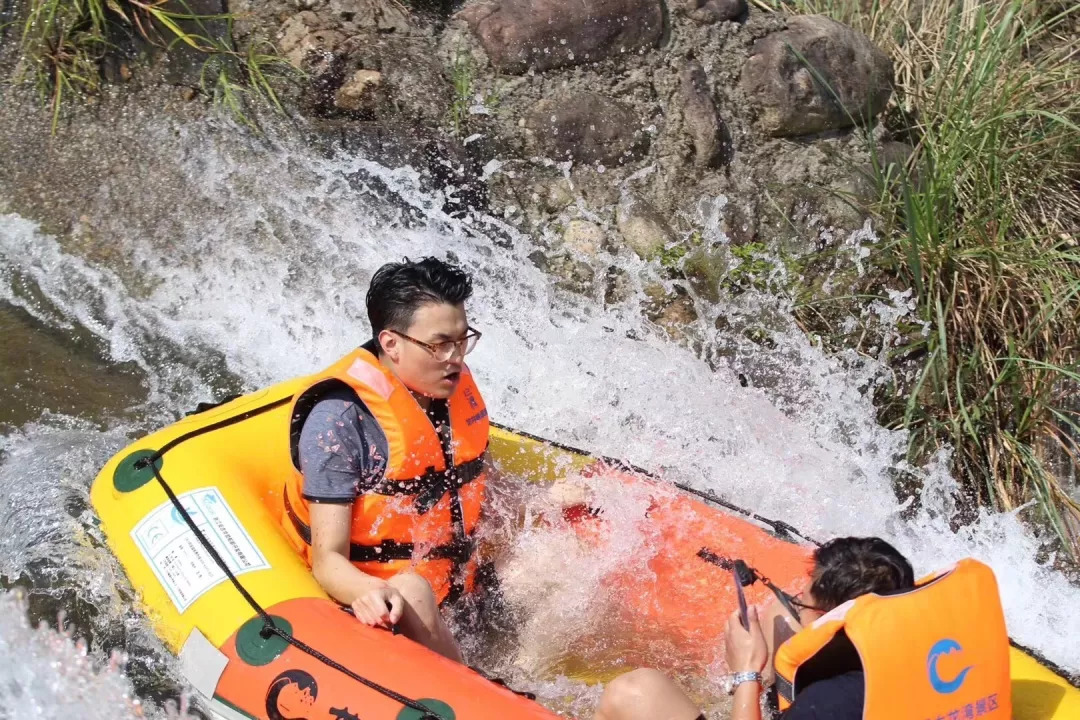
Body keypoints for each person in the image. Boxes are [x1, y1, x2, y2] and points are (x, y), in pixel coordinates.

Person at [279, 257, 489, 662]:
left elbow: (473, 481)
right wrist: (366, 592)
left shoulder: (447, 392)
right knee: (413, 589)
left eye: (463, 340)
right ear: (391, 343)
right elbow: (328, 560)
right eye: (439, 344)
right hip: (392, 600)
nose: (456, 357)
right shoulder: (339, 423)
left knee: (542, 559)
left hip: (460, 582)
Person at [594, 536, 1009, 720]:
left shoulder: (833, 702)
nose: (795, 601)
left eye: (803, 601)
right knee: (777, 619)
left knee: (635, 692)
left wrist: (746, 674)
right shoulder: (942, 643)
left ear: (836, 615)